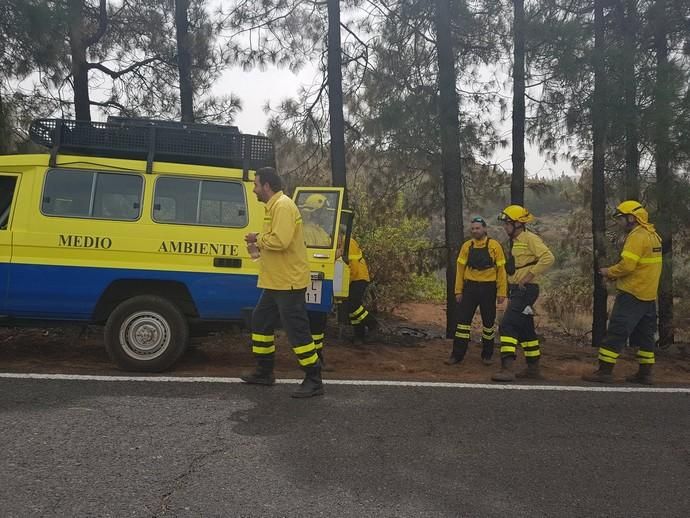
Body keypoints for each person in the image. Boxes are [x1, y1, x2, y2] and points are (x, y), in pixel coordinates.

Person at [241, 167, 323, 398]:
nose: (254, 189)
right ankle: (264, 372)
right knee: (260, 321)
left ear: (267, 186)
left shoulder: (283, 206)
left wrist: (257, 238)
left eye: (256, 184)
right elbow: (276, 238)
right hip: (276, 281)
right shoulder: (275, 206)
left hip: (288, 282)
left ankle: (314, 379)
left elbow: (280, 241)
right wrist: (260, 239)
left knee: (297, 331)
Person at [583, 201, 662, 385]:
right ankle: (645, 373)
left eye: (621, 219)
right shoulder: (654, 236)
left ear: (632, 218)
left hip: (632, 293)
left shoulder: (637, 237)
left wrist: (608, 272)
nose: (619, 223)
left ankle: (604, 371)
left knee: (617, 331)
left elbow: (627, 265)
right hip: (648, 295)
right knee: (646, 337)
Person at [492, 205, 555, 382]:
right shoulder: (518, 240)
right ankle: (533, 368)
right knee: (526, 331)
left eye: (507, 223)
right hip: (517, 290)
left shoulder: (529, 238)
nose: (505, 227)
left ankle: (507, 369)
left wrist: (528, 276)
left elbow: (548, 258)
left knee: (507, 325)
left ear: (518, 223)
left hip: (526, 290)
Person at [447, 216, 507, 366]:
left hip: (489, 288)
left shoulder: (495, 246)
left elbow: (501, 271)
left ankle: (487, 355)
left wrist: (501, 292)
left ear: (485, 229)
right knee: (462, 323)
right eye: (473, 228)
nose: (475, 231)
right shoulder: (467, 246)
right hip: (470, 288)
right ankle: (457, 355)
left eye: (478, 228)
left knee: (488, 323)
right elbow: (460, 270)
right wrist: (458, 291)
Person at [299, 193, 332, 368]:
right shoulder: (306, 231)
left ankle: (316, 357)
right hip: (310, 280)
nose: (325, 215)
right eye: (322, 211)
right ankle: (313, 359)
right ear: (314, 213)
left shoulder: (319, 231)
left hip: (319, 280)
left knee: (319, 320)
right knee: (313, 320)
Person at [341, 233, 378, 342]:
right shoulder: (344, 243)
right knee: (350, 307)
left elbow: (353, 266)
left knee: (354, 305)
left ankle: (372, 324)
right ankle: (359, 334)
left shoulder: (348, 242)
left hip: (359, 278)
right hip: (355, 278)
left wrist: (346, 282)